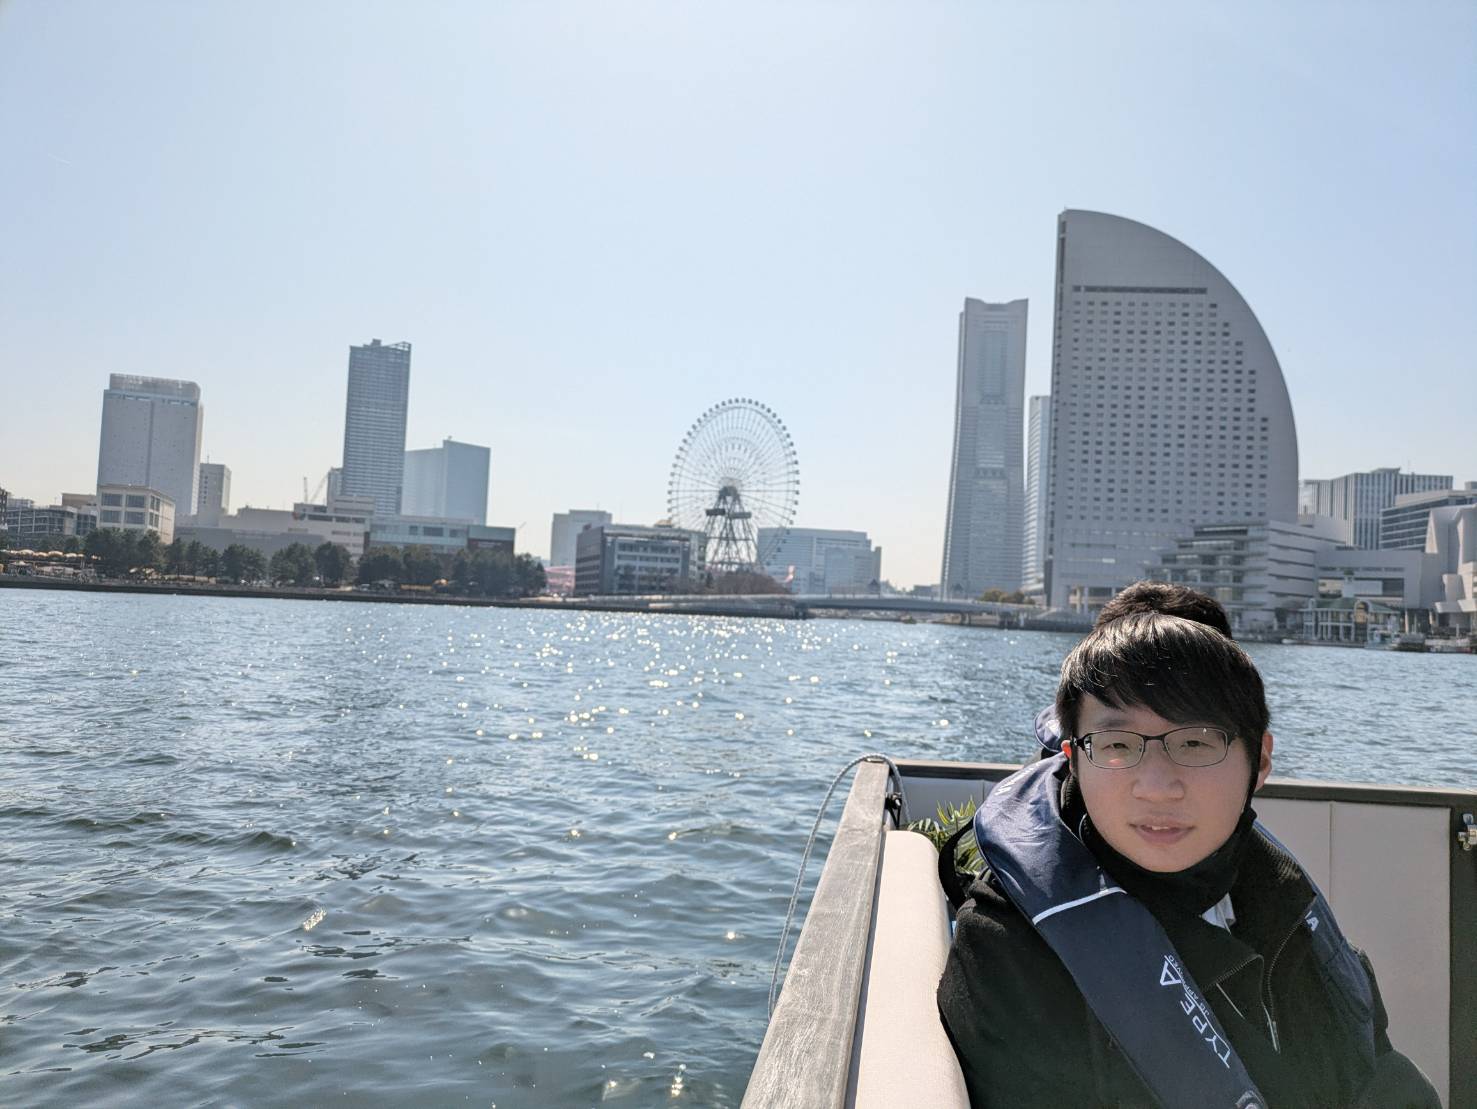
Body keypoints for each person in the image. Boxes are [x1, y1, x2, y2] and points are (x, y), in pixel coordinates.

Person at [937, 598, 1440, 1108]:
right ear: (1074, 761)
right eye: (1117, 744)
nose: (1157, 787)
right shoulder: (1009, 953)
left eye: (1196, 743)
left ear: (1260, 761)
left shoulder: (1284, 905)